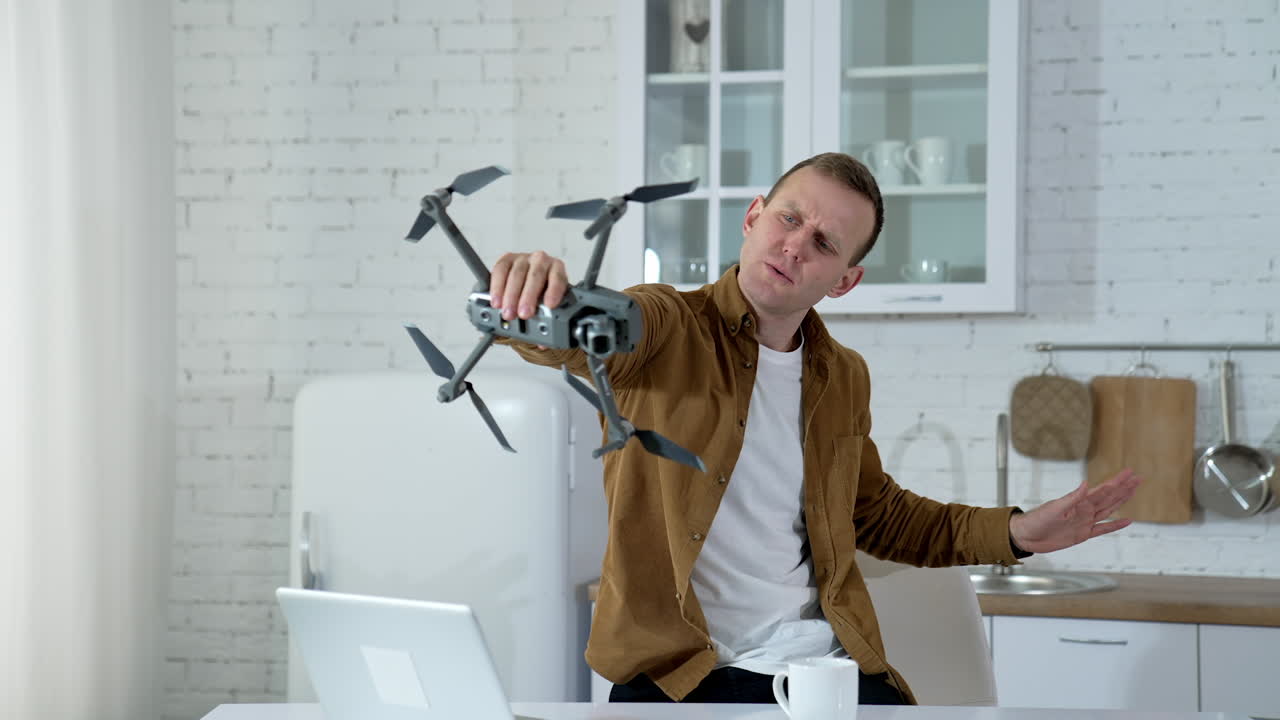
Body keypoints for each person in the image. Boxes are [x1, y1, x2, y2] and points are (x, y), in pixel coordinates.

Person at [490, 152, 1141, 705]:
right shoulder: (667, 327)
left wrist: (1017, 532)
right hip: (681, 676)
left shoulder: (843, 377)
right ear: (753, 218)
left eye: (825, 243)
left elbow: (880, 517)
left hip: (825, 673)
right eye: (789, 219)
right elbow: (597, 332)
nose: (796, 245)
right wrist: (546, 303)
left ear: (845, 280)